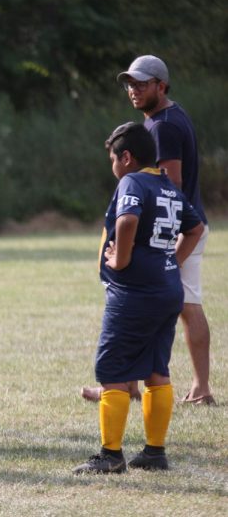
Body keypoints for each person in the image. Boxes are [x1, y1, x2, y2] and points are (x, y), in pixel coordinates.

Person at [82, 55, 215, 406]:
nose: (134, 90)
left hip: (174, 230)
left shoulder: (163, 126)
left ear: (162, 85)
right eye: (130, 84)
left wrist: (163, 241)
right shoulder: (169, 116)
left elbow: (171, 183)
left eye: (142, 84)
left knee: (180, 304)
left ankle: (193, 387)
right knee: (179, 304)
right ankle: (131, 384)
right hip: (179, 227)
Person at [73, 123, 203, 474]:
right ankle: (154, 451)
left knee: (112, 368)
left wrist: (122, 259)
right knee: (157, 369)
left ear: (126, 158)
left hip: (135, 292)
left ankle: (111, 455)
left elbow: (128, 219)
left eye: (113, 158)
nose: (112, 166)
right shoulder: (167, 185)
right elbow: (196, 228)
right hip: (166, 290)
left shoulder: (131, 181)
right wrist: (170, 262)